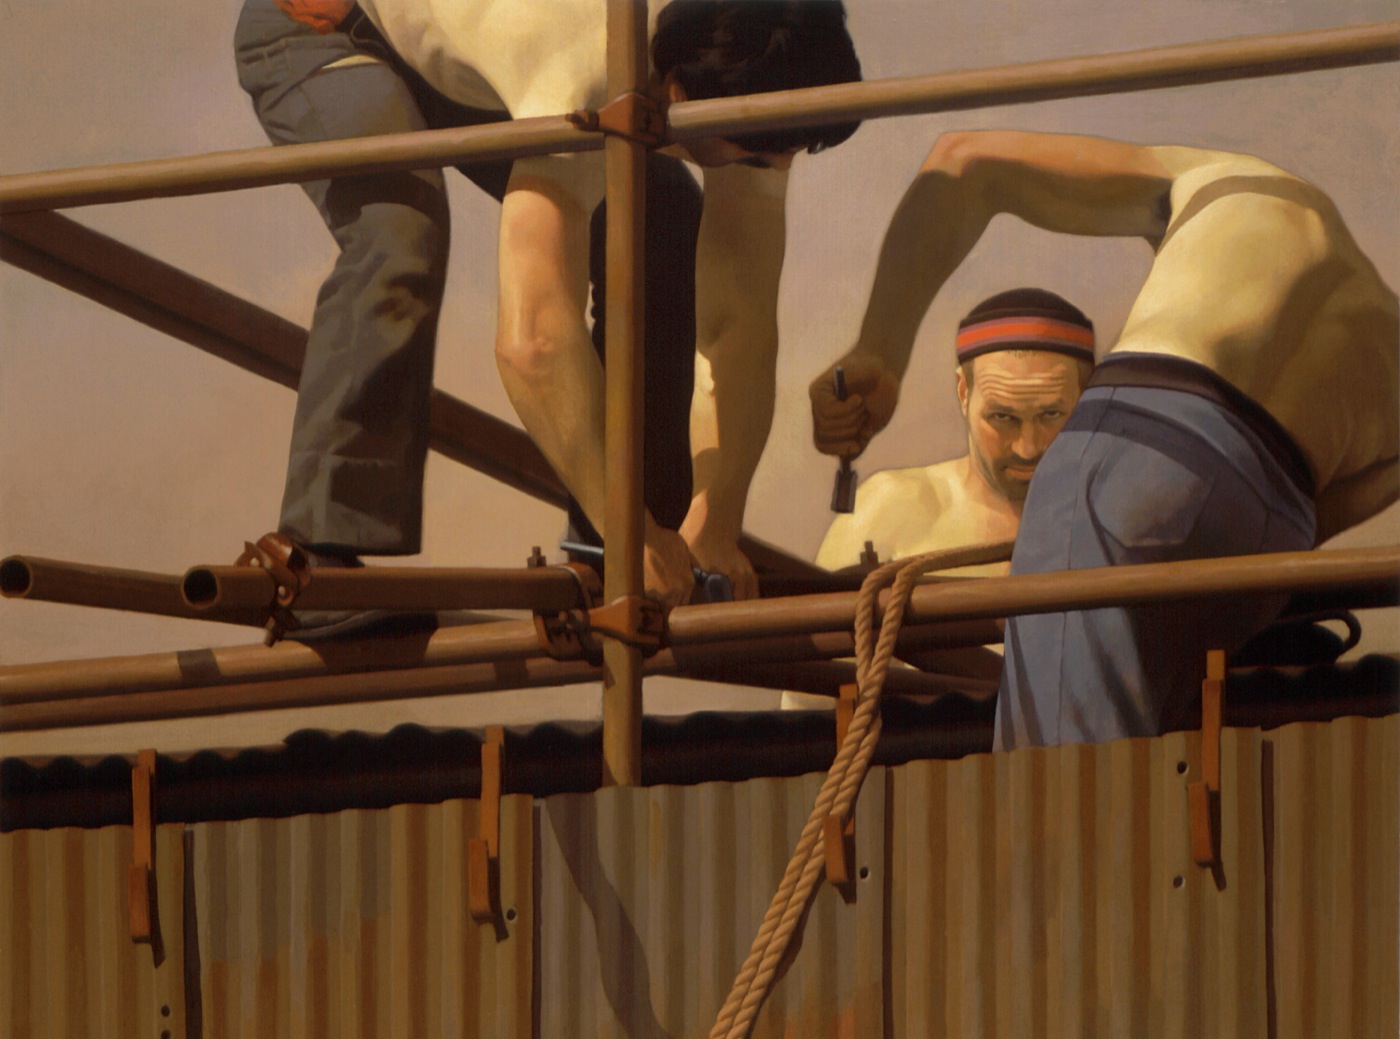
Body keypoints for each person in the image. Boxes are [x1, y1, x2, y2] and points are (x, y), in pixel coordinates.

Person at [233, 0, 862, 635]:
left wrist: (714, 521)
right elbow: (533, 340)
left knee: (663, 216)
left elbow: (738, 318)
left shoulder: (749, 60)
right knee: (400, 232)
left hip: (465, 52)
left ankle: (620, 542)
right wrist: (627, 528)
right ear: (677, 91)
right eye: (754, 158)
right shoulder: (583, 71)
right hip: (327, 26)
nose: (769, 170)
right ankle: (319, 555)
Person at [811, 130, 1398, 746]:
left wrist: (878, 349)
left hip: (1145, 443)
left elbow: (964, 162)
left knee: (1063, 767)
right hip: (1276, 524)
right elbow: (1317, 524)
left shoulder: (1244, 189)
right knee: (1143, 756)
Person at [813, 287, 1094, 579]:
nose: (1027, 449)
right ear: (964, 392)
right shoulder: (888, 510)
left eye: (1050, 415)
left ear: (1086, 396)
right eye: (1002, 417)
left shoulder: (1112, 516)